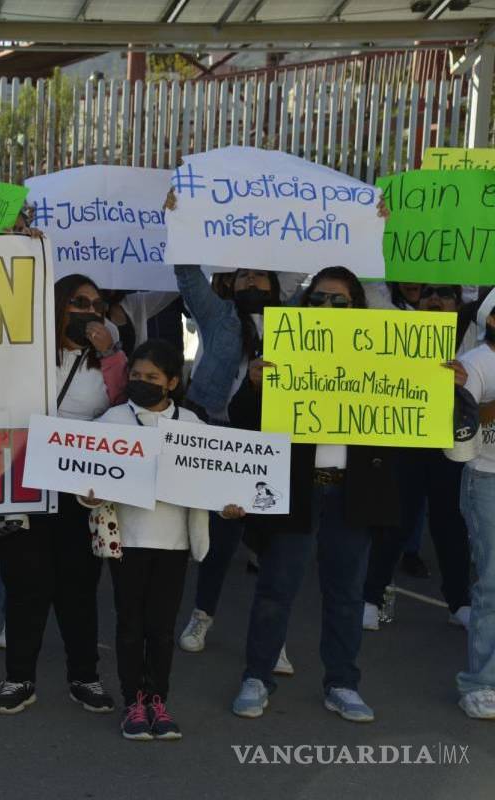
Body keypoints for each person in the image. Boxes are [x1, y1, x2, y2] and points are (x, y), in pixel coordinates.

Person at [227, 266, 401, 723]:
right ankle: (257, 676)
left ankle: (342, 683)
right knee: (275, 588)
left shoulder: (379, 358)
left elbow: (411, 411)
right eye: (320, 298)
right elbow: (242, 417)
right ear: (306, 304)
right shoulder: (281, 350)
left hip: (352, 494)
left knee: (345, 594)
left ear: (357, 307)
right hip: (296, 489)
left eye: (340, 301)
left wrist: (440, 382)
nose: (328, 307)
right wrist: (253, 385)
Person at [89, 339, 237, 740]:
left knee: (161, 627)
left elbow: (218, 478)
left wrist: (229, 504)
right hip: (128, 543)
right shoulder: (112, 422)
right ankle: (133, 701)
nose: (142, 382)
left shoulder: (193, 427)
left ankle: (158, 699)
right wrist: (89, 493)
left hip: (173, 544)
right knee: (130, 624)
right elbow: (85, 477)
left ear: (172, 381)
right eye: (135, 375)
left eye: (151, 377)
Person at [0, 274, 126, 716]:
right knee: (25, 584)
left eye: (97, 304)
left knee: (78, 588)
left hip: (78, 490)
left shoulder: (110, 359)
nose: (89, 311)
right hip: (24, 482)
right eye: (79, 302)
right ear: (58, 305)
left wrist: (109, 353)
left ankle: (84, 677)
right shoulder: (25, 351)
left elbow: (126, 412)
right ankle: (19, 678)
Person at [171, 262, 293, 676]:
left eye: (261, 274)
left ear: (277, 284)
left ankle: (272, 639)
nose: (252, 280)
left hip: (275, 444)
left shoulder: (299, 320)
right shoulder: (218, 315)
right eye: (243, 275)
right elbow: (187, 277)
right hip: (221, 436)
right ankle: (202, 614)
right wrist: (182, 221)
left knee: (273, 545)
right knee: (222, 539)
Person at [362, 284, 473, 630]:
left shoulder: (472, 338)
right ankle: (371, 597)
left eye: (445, 295)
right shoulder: (398, 326)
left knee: (450, 525)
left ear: (459, 304)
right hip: (405, 442)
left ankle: (459, 603)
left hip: (449, 448)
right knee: (394, 522)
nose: (435, 301)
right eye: (428, 295)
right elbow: (371, 290)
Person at [449, 290, 495, 719]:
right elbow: (464, 430)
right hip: (487, 480)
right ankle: (481, 682)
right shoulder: (478, 362)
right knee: (493, 584)